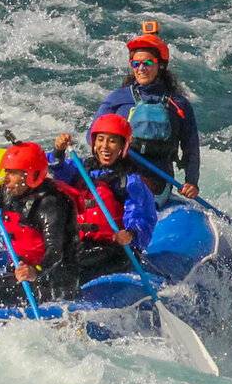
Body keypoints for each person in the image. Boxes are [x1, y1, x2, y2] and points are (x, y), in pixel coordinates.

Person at [0, 141, 78, 304]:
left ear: (32, 175)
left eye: (13, 173)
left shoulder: (51, 203)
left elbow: (55, 251)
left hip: (52, 280)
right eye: (6, 171)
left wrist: (35, 271)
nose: (6, 179)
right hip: (21, 273)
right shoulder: (7, 192)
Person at [95, 25, 201, 197]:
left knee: (138, 188)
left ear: (160, 66)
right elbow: (93, 137)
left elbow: (191, 147)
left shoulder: (179, 104)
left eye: (148, 63)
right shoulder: (117, 99)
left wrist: (191, 182)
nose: (141, 68)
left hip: (158, 181)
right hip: (118, 174)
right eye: (136, 64)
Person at [51, 113, 159, 280]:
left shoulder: (129, 181)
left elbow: (142, 217)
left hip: (115, 250)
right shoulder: (81, 168)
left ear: (123, 146)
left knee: (71, 269)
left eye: (112, 141)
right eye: (100, 139)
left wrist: (130, 234)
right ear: (94, 143)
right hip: (81, 244)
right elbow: (56, 170)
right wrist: (58, 152)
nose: (105, 146)